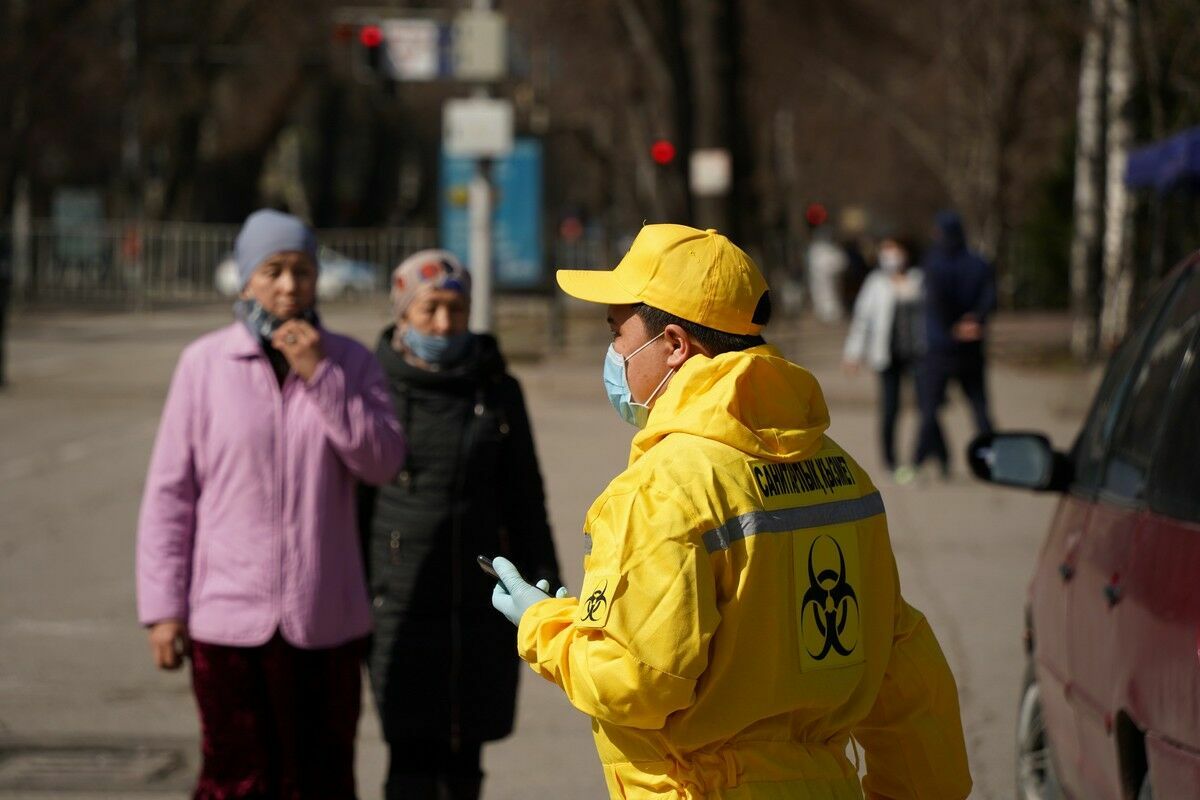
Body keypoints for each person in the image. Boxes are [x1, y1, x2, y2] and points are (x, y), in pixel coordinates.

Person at [485, 224, 972, 798]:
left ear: (672, 345)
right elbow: (905, 674)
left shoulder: (664, 488)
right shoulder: (843, 473)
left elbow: (636, 682)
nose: (613, 354)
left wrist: (547, 626)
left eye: (617, 334)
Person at [136, 209, 405, 799]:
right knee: (237, 780)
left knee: (322, 781)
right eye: (273, 270)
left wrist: (321, 377)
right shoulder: (205, 366)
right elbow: (170, 495)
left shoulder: (351, 362)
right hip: (227, 622)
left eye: (302, 271)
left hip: (324, 621)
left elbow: (382, 461)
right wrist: (163, 609)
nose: (289, 286)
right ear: (246, 279)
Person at [360, 250, 560, 800]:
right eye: (430, 311)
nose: (445, 324)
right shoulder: (372, 388)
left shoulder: (497, 390)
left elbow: (525, 498)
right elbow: (354, 505)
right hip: (396, 600)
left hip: (479, 601)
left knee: (466, 757)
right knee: (409, 756)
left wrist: (543, 583)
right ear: (402, 313)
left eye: (456, 309)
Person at [914, 211, 996, 477]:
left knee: (929, 409)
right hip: (972, 347)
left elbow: (937, 301)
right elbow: (989, 297)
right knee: (979, 408)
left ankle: (921, 461)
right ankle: (993, 458)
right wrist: (976, 321)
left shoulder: (935, 263)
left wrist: (953, 327)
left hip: (940, 349)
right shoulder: (979, 263)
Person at [842, 236, 926, 483]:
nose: (890, 255)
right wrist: (852, 354)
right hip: (887, 356)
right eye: (885, 250)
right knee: (890, 409)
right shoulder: (876, 283)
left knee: (928, 407)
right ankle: (890, 460)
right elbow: (862, 321)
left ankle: (935, 456)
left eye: (894, 249)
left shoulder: (919, 280)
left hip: (918, 356)